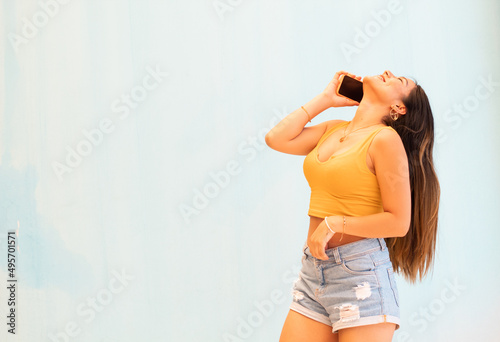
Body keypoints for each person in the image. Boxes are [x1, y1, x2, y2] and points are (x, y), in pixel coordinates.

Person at [265, 70, 440, 342]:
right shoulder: (333, 129)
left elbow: (399, 221)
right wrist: (325, 99)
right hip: (314, 272)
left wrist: (336, 223)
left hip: (361, 275)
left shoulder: (384, 140)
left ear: (398, 108)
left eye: (400, 81)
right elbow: (276, 139)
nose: (388, 73)